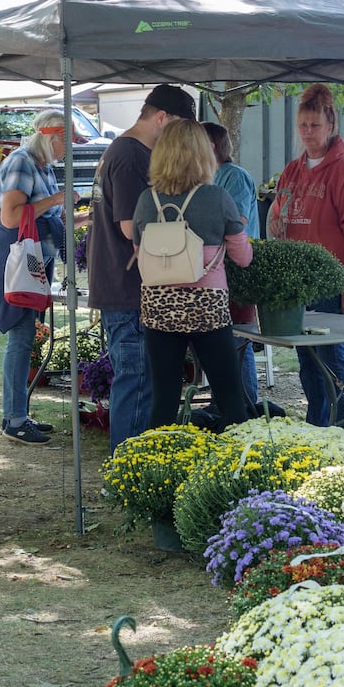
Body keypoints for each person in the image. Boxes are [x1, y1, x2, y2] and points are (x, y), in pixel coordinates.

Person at [88, 83, 197, 450]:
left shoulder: (120, 150)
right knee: (135, 381)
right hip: (127, 286)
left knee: (141, 380)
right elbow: (131, 225)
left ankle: (130, 466)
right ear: (161, 118)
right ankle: (125, 467)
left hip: (123, 284)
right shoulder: (132, 154)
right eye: (178, 130)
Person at [133, 119, 254, 429]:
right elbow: (242, 257)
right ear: (202, 154)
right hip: (207, 308)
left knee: (163, 399)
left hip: (159, 308)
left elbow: (138, 251)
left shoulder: (147, 201)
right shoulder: (217, 198)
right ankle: (242, 466)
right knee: (230, 398)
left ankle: (158, 467)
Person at [266, 83, 344, 426]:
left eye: (314, 125)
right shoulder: (293, 170)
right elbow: (278, 212)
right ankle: (317, 426)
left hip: (329, 282)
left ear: (331, 126)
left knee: (330, 358)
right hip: (297, 285)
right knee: (307, 361)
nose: (307, 132)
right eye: (302, 125)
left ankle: (343, 427)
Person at [0, 109, 72, 445]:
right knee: (21, 336)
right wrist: (58, 199)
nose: (69, 148)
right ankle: (14, 419)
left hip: (33, 263)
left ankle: (18, 413)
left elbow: (47, 216)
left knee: (25, 337)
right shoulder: (21, 161)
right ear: (52, 137)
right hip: (16, 260)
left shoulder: (42, 166)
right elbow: (12, 216)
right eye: (67, 140)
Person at [203, 121, 263, 412]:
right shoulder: (210, 177)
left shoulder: (234, 177)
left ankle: (246, 407)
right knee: (221, 343)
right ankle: (224, 406)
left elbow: (237, 223)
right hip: (216, 273)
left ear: (211, 146)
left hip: (238, 272)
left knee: (238, 341)